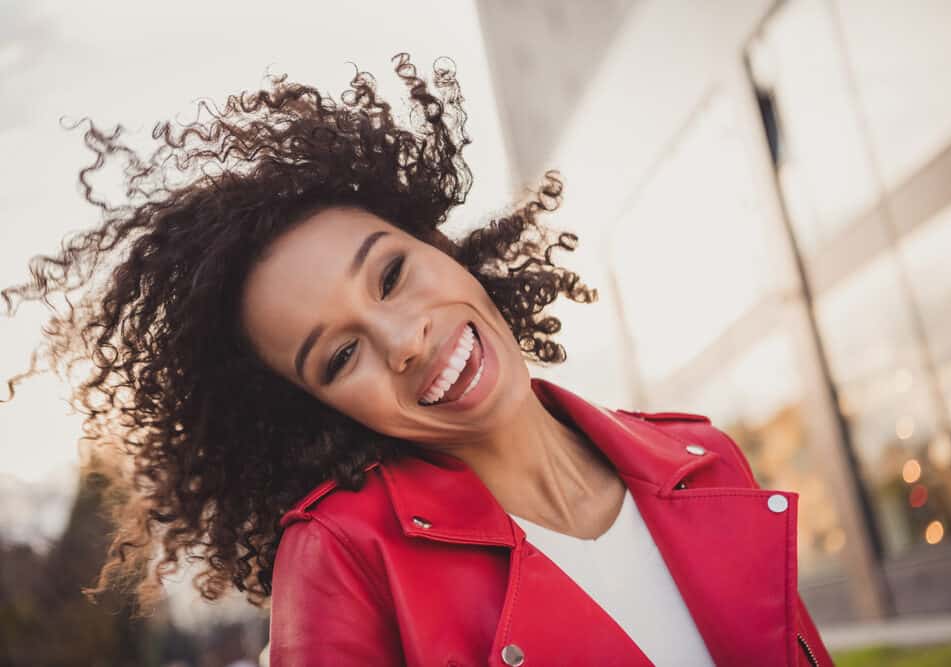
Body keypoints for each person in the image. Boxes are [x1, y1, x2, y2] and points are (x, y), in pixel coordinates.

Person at [0, 53, 834, 666]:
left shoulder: (703, 458)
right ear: (322, 408)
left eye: (391, 274)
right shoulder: (344, 559)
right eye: (340, 356)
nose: (405, 342)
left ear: (440, 243)